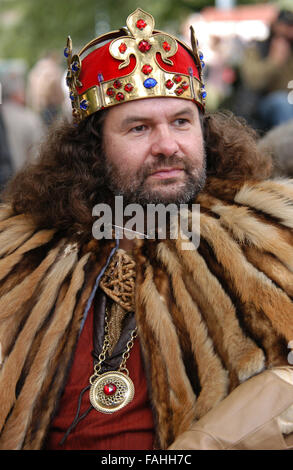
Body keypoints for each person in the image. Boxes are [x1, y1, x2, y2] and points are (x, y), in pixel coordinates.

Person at [0, 8, 292, 451]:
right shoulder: (22, 253)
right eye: (139, 128)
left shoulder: (272, 241)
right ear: (92, 148)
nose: (168, 146)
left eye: (181, 121)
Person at [240, 8, 293, 130]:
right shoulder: (257, 49)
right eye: (286, 25)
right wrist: (274, 62)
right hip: (260, 104)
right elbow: (253, 81)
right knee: (282, 103)